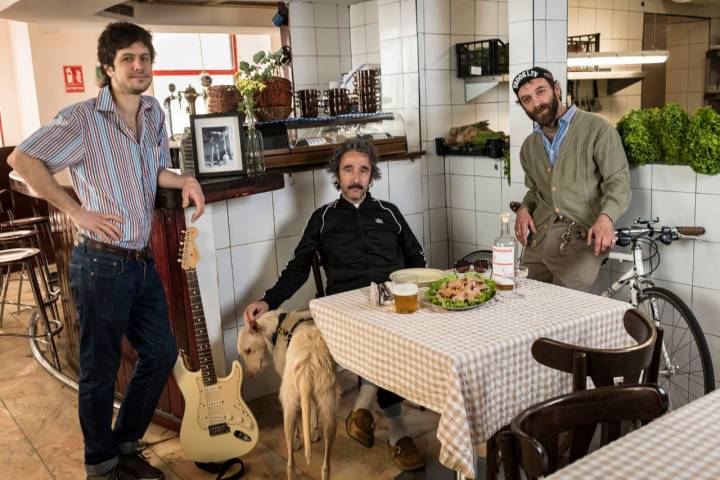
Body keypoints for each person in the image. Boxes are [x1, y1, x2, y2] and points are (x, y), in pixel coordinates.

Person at [8, 22, 205, 480]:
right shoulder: (82, 119)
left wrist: (185, 180)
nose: (138, 67)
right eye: (127, 59)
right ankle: (102, 464)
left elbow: (156, 171)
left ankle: (125, 444)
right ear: (107, 68)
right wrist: (75, 211)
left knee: (160, 352)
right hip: (99, 262)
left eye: (144, 58)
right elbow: (21, 160)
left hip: (140, 261)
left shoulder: (154, 111)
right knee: (99, 368)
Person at [243, 138, 427, 472]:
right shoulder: (323, 218)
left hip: (389, 297)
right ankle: (397, 431)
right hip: (345, 305)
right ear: (337, 175)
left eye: (364, 170)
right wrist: (267, 299)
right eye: (348, 170)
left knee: (398, 327)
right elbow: (298, 267)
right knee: (385, 334)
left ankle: (362, 408)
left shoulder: (390, 213)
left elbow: (417, 257)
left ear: (372, 176)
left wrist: (421, 287)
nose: (356, 177)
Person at [512, 67, 631, 291]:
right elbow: (536, 191)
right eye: (527, 99)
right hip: (538, 240)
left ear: (556, 89)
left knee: (565, 312)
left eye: (541, 92)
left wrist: (606, 219)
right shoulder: (529, 146)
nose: (536, 103)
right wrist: (524, 208)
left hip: (579, 239)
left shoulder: (597, 129)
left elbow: (618, 183)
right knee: (522, 304)